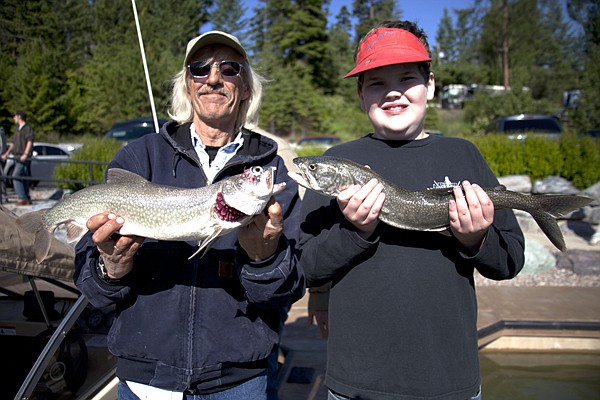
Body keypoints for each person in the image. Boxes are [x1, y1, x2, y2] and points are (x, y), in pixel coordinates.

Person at [298, 21, 525, 400]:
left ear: (430, 85)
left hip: (450, 380)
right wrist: (354, 233)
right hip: (355, 380)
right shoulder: (337, 160)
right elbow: (305, 266)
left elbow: (510, 260)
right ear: (360, 94)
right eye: (375, 83)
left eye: (406, 79)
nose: (392, 93)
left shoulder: (464, 154)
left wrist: (476, 240)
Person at [74, 30, 305, 400]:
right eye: (200, 69)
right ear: (187, 84)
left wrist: (264, 258)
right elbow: (91, 286)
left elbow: (288, 290)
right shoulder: (139, 157)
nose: (214, 78)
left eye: (229, 68)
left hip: (238, 382)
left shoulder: (272, 171)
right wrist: (111, 268)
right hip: (145, 379)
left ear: (245, 87)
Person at [1, 110, 34, 205]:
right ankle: (26, 196)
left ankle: (22, 197)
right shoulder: (18, 129)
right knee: (23, 177)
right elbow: (13, 143)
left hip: (22, 156)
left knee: (15, 176)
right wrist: (7, 153)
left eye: (14, 116)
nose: (13, 118)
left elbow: (29, 141)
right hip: (16, 156)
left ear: (19, 116)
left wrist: (25, 154)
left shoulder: (28, 128)